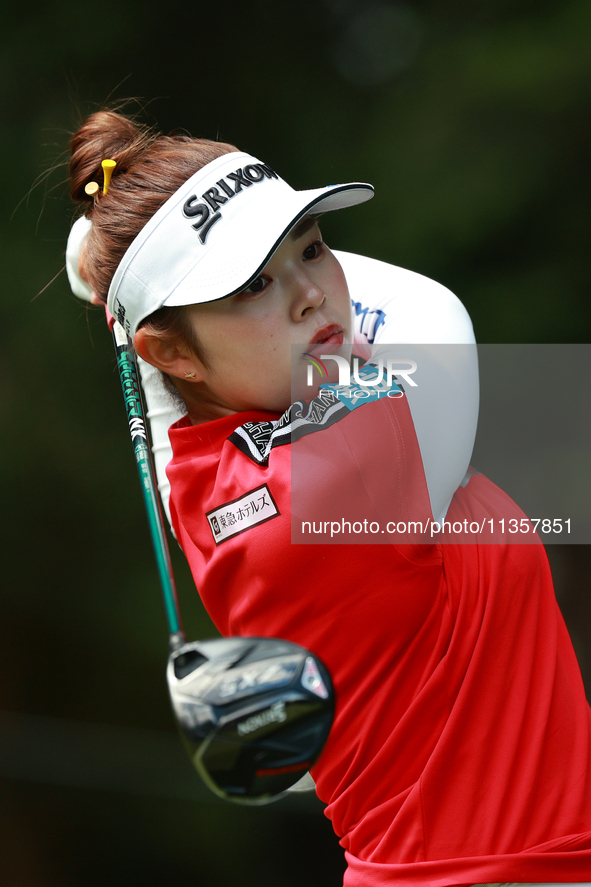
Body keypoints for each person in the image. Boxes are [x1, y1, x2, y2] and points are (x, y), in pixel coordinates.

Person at [66, 109, 591, 887]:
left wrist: (119, 275)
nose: (312, 295)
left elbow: (179, 394)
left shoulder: (200, 477)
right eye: (253, 284)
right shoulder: (348, 457)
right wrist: (102, 265)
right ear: (171, 351)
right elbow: (431, 309)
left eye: (312, 246)